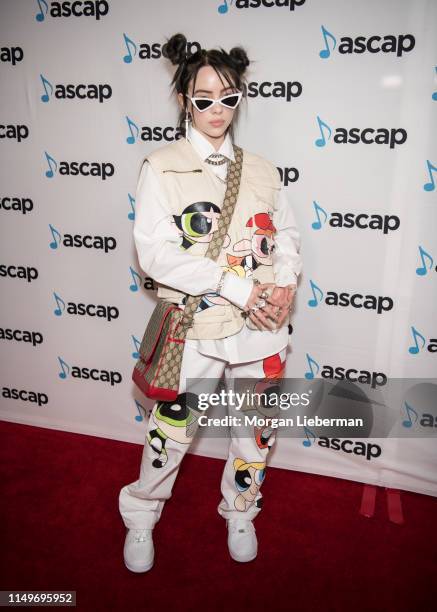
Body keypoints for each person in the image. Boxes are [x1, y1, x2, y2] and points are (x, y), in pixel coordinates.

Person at [119, 33, 303, 572]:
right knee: (171, 434)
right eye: (204, 99)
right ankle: (141, 514)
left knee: (255, 434)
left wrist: (285, 282)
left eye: (229, 97)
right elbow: (155, 254)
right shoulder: (161, 165)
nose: (217, 110)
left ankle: (241, 509)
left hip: (262, 328)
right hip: (196, 328)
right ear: (183, 100)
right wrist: (239, 287)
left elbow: (287, 236)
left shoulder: (266, 169)